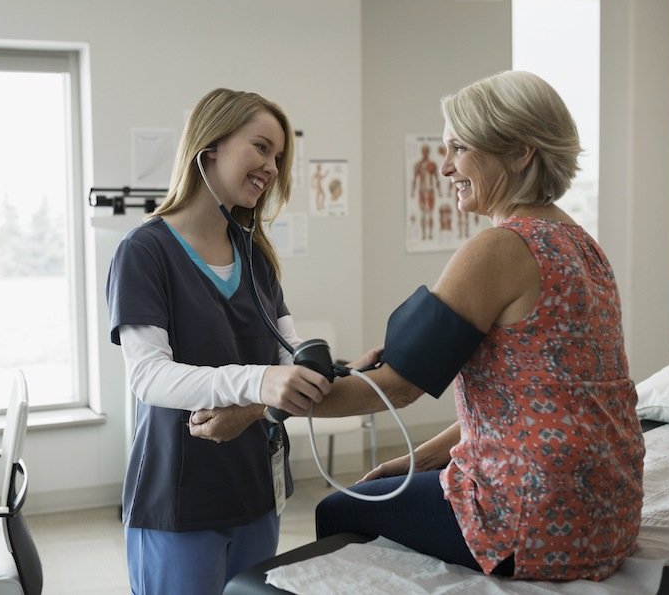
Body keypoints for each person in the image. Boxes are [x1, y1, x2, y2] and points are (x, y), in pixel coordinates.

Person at [193, 71, 645, 582]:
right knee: (381, 487)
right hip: (608, 514)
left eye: (459, 148)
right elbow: (535, 402)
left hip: (534, 520)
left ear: (520, 152)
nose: (446, 166)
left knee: (339, 510)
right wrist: (424, 458)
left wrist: (254, 407)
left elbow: (398, 388)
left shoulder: (501, 248)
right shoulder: (583, 246)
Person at [105, 87, 332, 595]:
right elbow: (149, 377)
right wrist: (262, 384)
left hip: (255, 488)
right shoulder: (144, 252)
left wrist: (323, 369)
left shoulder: (256, 256)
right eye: (261, 147)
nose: (272, 166)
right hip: (179, 499)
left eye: (278, 156)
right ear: (210, 149)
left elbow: (285, 355)